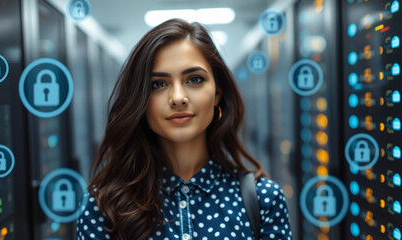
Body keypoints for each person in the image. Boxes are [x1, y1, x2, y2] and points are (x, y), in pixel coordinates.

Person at [76, 18, 292, 240]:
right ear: (140, 101)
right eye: (158, 84)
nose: (178, 98)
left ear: (218, 93)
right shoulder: (103, 207)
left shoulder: (264, 200)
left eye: (194, 79)